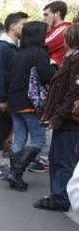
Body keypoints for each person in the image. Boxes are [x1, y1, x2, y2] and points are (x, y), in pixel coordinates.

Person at [5, 21, 55, 191]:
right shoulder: (40, 53)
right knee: (38, 139)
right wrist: (55, 67)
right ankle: (16, 173)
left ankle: (14, 173)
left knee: (19, 138)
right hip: (30, 102)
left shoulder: (18, 53)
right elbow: (46, 76)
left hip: (14, 101)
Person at [35, 24, 79, 211]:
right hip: (65, 120)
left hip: (70, 122)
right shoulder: (72, 58)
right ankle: (58, 194)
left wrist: (58, 117)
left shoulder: (76, 60)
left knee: (63, 159)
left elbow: (72, 92)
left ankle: (61, 197)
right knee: (58, 157)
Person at [0, 12, 28, 176]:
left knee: (1, 133)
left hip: (6, 97)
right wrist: (2, 98)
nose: (25, 28)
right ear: (12, 26)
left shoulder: (12, 46)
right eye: (22, 24)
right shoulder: (2, 47)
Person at [43, 0, 71, 67]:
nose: (44, 18)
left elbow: (42, 46)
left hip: (57, 72)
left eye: (46, 15)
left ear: (57, 14)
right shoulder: (53, 29)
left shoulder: (64, 29)